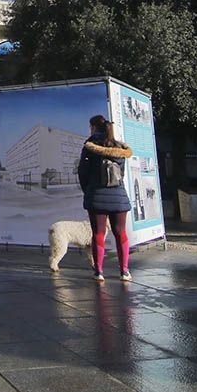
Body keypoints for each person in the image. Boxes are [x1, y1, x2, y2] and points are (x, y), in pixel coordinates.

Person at [76, 114, 133, 283]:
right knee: (120, 233)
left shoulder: (89, 147)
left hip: (97, 196)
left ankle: (99, 272)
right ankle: (124, 271)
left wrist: (89, 190)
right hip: (119, 197)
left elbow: (82, 172)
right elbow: (120, 173)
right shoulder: (119, 147)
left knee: (98, 234)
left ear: (93, 128)